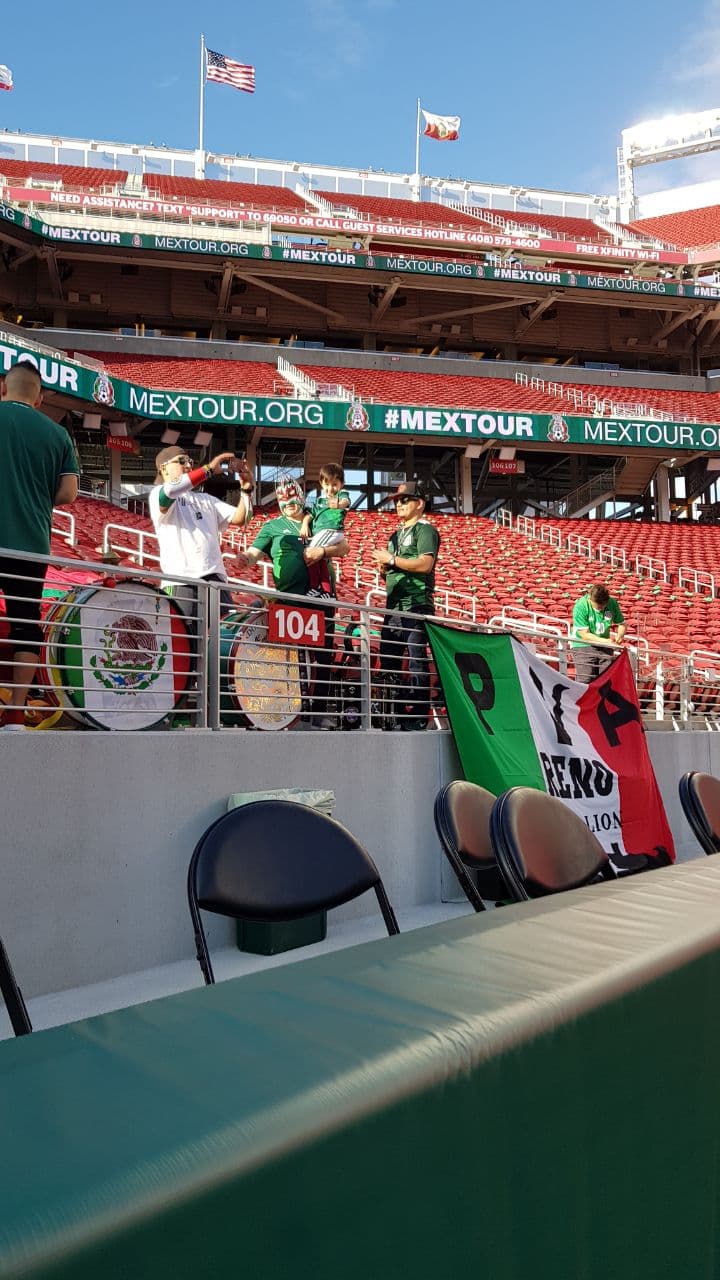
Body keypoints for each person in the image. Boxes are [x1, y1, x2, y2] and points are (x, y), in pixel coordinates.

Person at [0, 360, 79, 729]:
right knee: (24, 625)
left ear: (4, 388)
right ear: (40, 397)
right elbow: (67, 493)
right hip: (29, 544)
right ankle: (16, 711)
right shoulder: (57, 435)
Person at [236, 476, 349, 727]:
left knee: (322, 658)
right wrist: (245, 558)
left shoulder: (316, 515)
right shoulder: (272, 527)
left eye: (292, 500)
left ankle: (318, 713)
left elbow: (344, 547)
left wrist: (323, 551)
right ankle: (291, 712)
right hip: (290, 602)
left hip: (322, 599)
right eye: (284, 501)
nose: (289, 505)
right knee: (290, 656)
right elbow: (254, 553)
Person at [149, 446, 254, 615]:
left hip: (217, 580)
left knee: (223, 639)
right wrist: (209, 469)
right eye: (182, 461)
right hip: (181, 580)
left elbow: (240, 519)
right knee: (186, 639)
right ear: (163, 468)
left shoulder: (206, 499)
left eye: (190, 462)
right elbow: (169, 492)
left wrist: (246, 490)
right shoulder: (157, 493)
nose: (189, 466)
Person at [370, 479, 440, 731]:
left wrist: (392, 559)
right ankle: (395, 714)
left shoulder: (426, 530)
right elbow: (390, 572)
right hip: (394, 606)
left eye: (405, 500)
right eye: (397, 501)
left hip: (417, 604)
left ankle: (419, 715)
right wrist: (384, 567)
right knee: (389, 661)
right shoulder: (394, 535)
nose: (399, 504)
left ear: (419, 503)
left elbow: (424, 564)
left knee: (416, 660)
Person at [570, 583, 626, 683]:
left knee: (605, 680)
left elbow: (622, 624)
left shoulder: (612, 603)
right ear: (590, 599)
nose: (601, 608)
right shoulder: (581, 606)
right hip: (583, 645)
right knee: (585, 679)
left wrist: (620, 635)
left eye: (603, 606)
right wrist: (606, 641)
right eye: (598, 606)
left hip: (605, 647)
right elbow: (584, 634)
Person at [300, 462, 350, 553]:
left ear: (342, 484)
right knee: (309, 553)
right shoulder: (319, 500)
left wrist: (339, 505)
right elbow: (310, 514)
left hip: (331, 530)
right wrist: (305, 524)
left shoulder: (341, 494)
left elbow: (346, 501)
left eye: (334, 485)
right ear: (321, 483)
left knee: (309, 552)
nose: (330, 488)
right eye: (327, 484)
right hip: (319, 533)